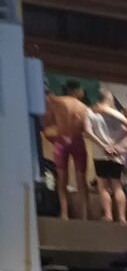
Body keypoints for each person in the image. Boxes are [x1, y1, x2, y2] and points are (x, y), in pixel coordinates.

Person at [44, 81, 93, 219]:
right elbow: (86, 130)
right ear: (76, 90)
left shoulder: (56, 102)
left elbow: (48, 122)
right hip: (77, 140)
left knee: (62, 178)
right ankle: (85, 214)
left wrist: (55, 137)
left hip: (61, 140)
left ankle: (64, 213)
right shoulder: (84, 108)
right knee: (81, 178)